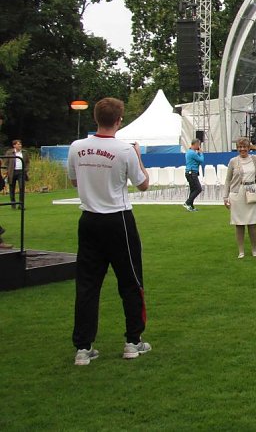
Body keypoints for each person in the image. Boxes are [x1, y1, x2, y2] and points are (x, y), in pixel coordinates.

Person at [66, 97, 151, 366]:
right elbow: (143, 184)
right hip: (118, 219)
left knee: (88, 285)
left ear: (95, 117)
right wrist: (138, 157)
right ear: (119, 120)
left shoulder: (77, 147)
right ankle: (133, 341)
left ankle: (83, 347)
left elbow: (73, 181)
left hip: (89, 218)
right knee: (130, 280)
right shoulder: (124, 150)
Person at [223, 137, 256, 258]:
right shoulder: (233, 161)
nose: (242, 149)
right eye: (240, 147)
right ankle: (241, 251)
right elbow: (228, 180)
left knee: (252, 223)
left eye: (244, 147)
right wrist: (225, 196)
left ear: (249, 147)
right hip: (237, 193)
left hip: (252, 192)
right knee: (239, 224)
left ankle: (254, 249)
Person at [4, 139, 30, 209]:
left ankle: (21, 204)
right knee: (12, 188)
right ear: (14, 145)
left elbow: (27, 162)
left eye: (20, 144)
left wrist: (26, 170)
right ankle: (13, 204)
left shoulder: (24, 152)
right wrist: (7, 170)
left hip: (21, 172)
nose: (20, 145)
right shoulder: (9, 152)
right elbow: (6, 162)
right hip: (12, 172)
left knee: (22, 188)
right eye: (18, 144)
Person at [183, 138, 204, 211]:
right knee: (198, 189)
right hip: (192, 173)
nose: (199, 146)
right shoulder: (192, 153)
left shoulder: (189, 152)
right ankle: (187, 202)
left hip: (190, 173)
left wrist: (198, 153)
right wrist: (201, 153)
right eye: (198, 145)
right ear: (195, 144)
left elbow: (196, 160)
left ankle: (191, 206)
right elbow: (201, 160)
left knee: (193, 190)